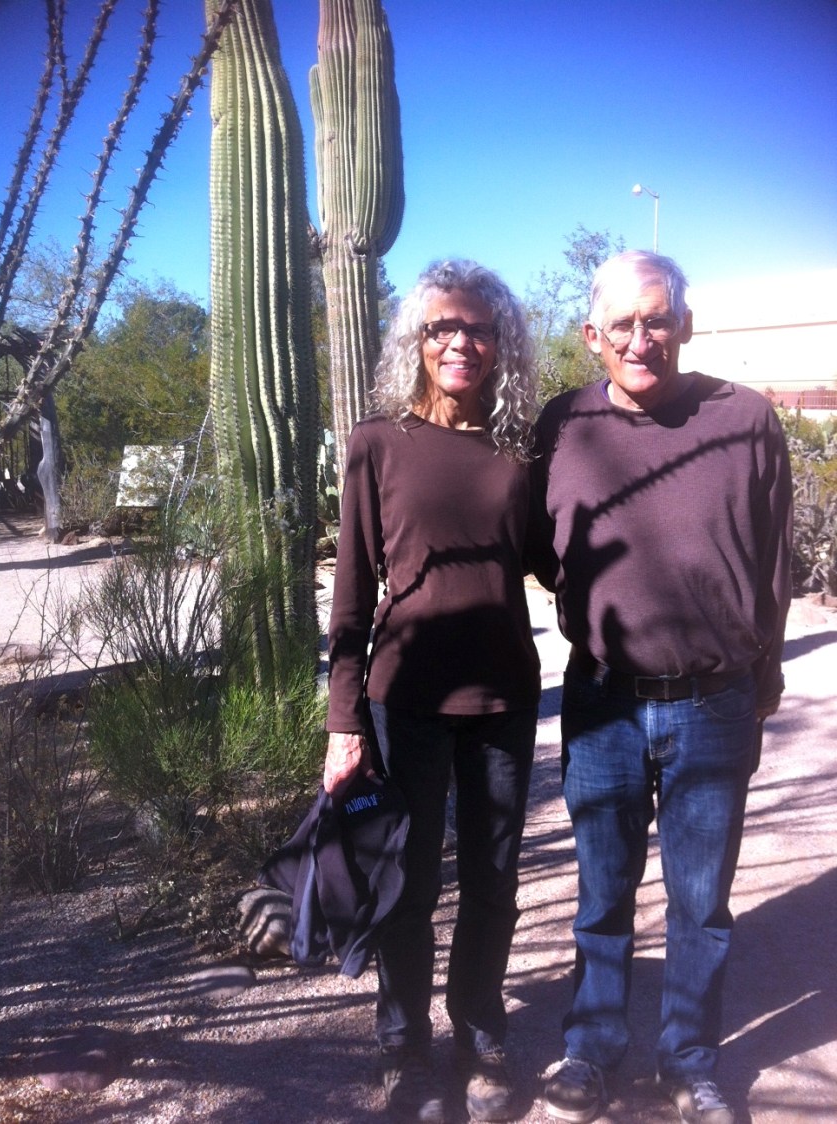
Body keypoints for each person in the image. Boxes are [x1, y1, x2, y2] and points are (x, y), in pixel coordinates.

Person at [532, 251, 793, 1124]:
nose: (641, 339)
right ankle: (591, 1049)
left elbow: (774, 558)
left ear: (684, 322)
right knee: (601, 894)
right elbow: (540, 545)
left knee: (699, 901)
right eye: (622, 324)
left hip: (715, 701)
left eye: (657, 319)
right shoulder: (560, 423)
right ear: (591, 336)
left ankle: (689, 1061)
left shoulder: (747, 418)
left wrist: (766, 666)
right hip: (603, 698)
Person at [324, 259, 541, 1124]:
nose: (461, 342)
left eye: (478, 328)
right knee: (406, 884)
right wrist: (345, 720)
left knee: (493, 877)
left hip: (503, 699)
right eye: (441, 328)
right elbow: (350, 592)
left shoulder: (520, 452)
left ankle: (479, 1028)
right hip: (402, 698)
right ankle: (401, 1040)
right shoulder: (377, 443)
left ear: (501, 342)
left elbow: (558, 561)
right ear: (416, 341)